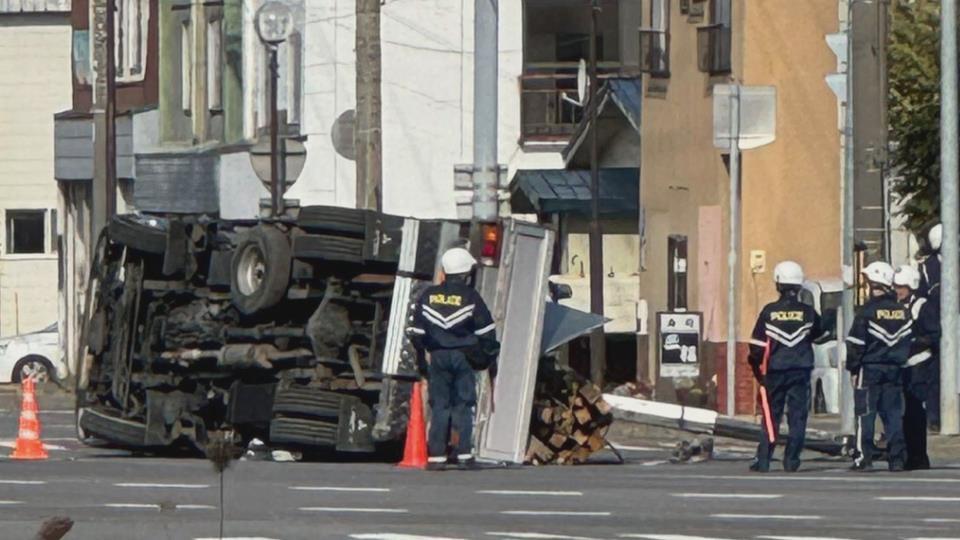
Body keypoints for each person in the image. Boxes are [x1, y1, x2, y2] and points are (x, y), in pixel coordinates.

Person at [406, 247, 498, 471]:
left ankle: (437, 457)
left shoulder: (427, 296)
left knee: (440, 405)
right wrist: (485, 357)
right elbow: (487, 332)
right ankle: (464, 455)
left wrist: (422, 359)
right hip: (463, 356)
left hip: (437, 356)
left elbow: (416, 334)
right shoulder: (471, 297)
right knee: (463, 405)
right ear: (466, 272)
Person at [747, 261, 823, 473]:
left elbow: (756, 347)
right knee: (798, 417)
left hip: (775, 370)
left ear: (778, 284)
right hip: (801, 369)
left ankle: (763, 460)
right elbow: (820, 332)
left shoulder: (769, 312)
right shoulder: (808, 312)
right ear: (799, 285)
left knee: (771, 416)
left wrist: (757, 369)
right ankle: (792, 460)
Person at [846, 261, 911, 472]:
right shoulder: (903, 311)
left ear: (875, 284)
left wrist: (853, 369)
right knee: (893, 415)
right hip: (895, 369)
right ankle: (897, 459)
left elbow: (856, 344)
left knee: (865, 413)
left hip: (870, 368)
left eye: (868, 283)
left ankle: (863, 457)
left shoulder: (867, 311)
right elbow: (909, 342)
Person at [894, 264, 937, 470]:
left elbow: (934, 335)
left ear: (911, 286)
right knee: (900, 414)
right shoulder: (894, 307)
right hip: (900, 365)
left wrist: (911, 342)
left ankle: (918, 456)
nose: (897, 290)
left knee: (915, 413)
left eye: (901, 286)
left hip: (918, 366)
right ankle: (904, 454)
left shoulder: (923, 306)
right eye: (895, 286)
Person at [918, 223, 942, 431]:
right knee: (934, 374)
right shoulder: (927, 267)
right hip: (937, 327)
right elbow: (922, 298)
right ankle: (935, 418)